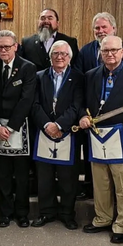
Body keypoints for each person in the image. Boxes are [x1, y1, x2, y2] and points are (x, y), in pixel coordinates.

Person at [79, 36, 123, 244]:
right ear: (100, 53)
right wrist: (82, 117)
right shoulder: (90, 75)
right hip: (98, 139)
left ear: (122, 52)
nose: (110, 54)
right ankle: (102, 218)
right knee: (101, 184)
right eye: (105, 51)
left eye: (114, 50)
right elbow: (82, 104)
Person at [74, 12, 123, 201]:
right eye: (97, 28)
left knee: (115, 163)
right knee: (92, 154)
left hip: (116, 117)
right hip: (91, 113)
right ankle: (90, 187)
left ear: (114, 29)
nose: (100, 31)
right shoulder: (85, 50)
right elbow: (79, 77)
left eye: (104, 27)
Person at [31, 40, 83, 229]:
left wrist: (60, 124)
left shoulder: (78, 77)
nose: (59, 57)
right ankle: (46, 212)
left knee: (67, 177)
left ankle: (67, 214)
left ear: (70, 57)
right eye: (55, 54)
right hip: (43, 132)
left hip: (68, 133)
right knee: (44, 178)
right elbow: (34, 104)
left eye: (64, 54)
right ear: (50, 56)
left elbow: (77, 105)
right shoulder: (38, 76)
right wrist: (47, 124)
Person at [0, 30, 36, 228]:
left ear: (15, 46)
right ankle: (5, 213)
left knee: (22, 175)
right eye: (0, 47)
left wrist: (12, 126)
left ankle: (22, 213)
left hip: (20, 126)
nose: (3, 50)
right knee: (3, 174)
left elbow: (27, 99)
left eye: (7, 46)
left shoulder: (27, 68)